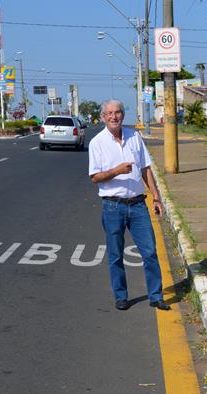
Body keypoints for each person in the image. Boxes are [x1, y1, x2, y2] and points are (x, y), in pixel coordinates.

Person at [88, 99, 169, 311]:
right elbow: (95, 177)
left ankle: (156, 295)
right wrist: (116, 171)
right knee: (115, 255)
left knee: (150, 252)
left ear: (123, 115)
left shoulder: (134, 136)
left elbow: (146, 168)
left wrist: (156, 197)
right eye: (110, 113)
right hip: (113, 206)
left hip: (138, 205)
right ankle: (121, 296)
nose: (114, 117)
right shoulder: (97, 143)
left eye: (118, 112)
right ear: (103, 117)